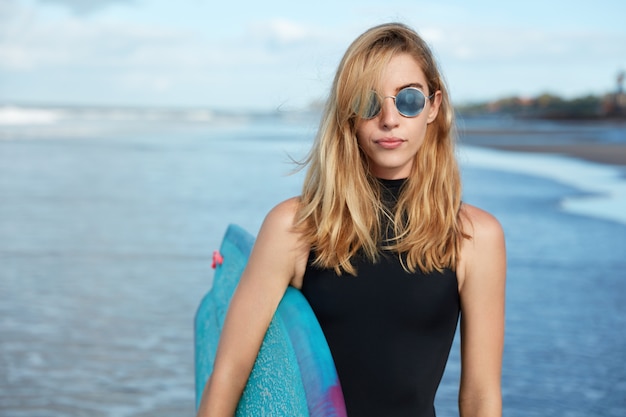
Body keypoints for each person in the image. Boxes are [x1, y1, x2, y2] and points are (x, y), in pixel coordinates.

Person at [197, 22, 506, 417]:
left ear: (433, 106)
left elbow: (480, 397)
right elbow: (228, 376)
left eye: (408, 99)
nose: (389, 118)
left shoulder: (474, 237)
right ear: (349, 113)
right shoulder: (297, 227)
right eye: (368, 101)